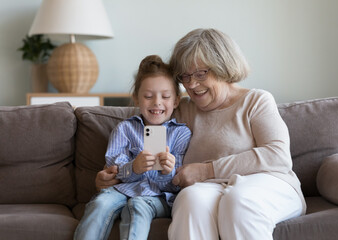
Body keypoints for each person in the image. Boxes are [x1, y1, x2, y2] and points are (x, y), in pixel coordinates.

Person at [95, 28, 306, 240]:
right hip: (210, 189)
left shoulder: (256, 101)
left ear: (222, 66)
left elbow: (278, 156)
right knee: (189, 200)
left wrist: (207, 171)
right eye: (184, 76)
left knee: (238, 200)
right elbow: (140, 132)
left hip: (267, 184)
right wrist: (110, 175)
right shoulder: (182, 108)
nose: (191, 85)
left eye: (200, 73)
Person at [74, 55, 191, 240]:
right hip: (122, 190)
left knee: (138, 206)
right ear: (136, 98)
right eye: (148, 96)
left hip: (158, 197)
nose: (157, 102)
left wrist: (168, 171)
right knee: (101, 203)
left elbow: (178, 183)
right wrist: (133, 168)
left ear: (176, 100)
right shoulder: (125, 129)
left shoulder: (181, 134)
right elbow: (113, 167)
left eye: (165, 96)